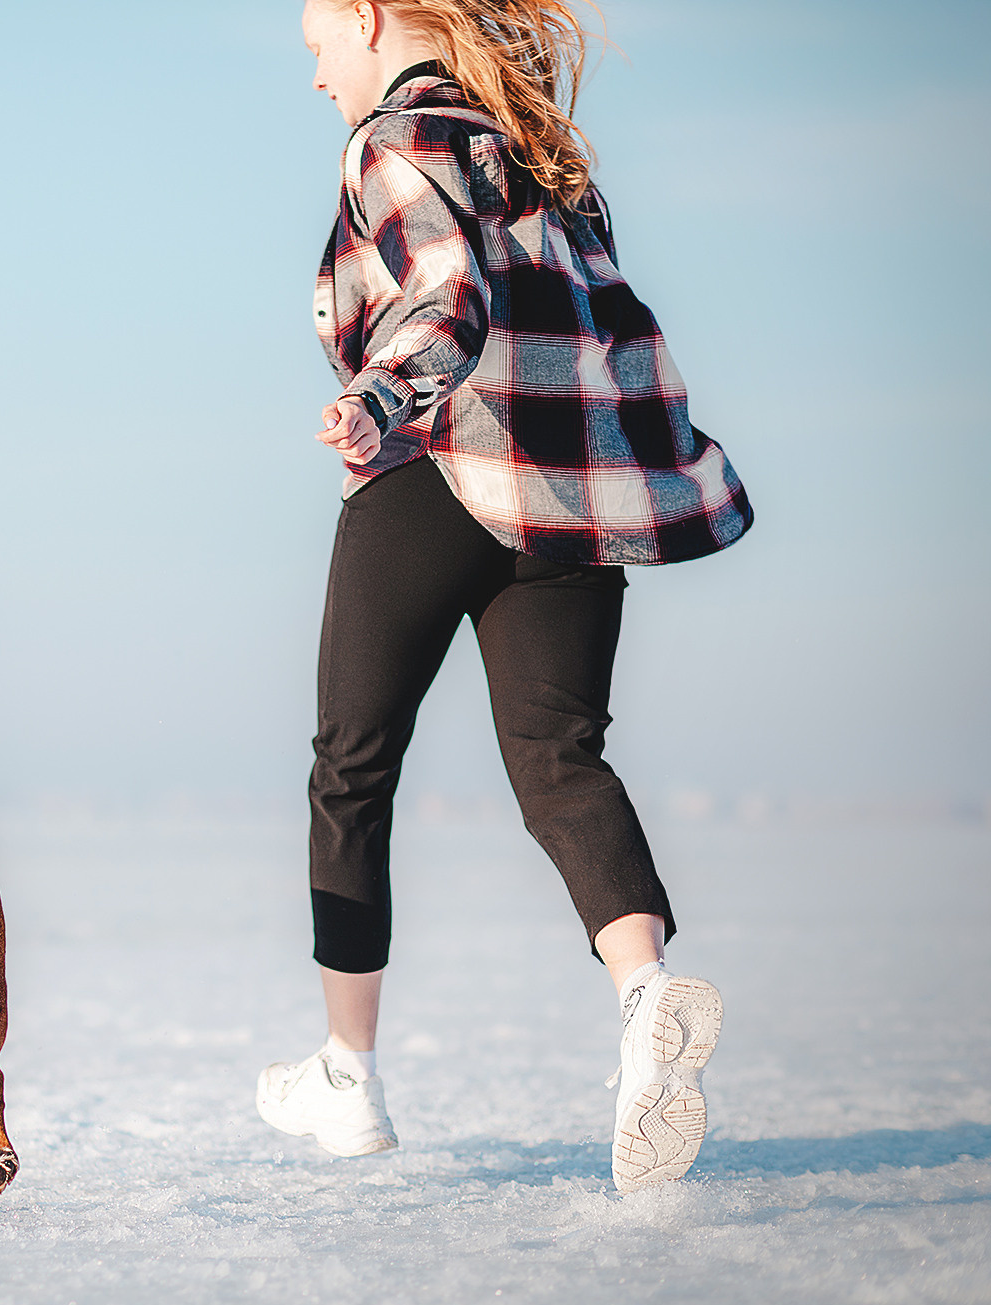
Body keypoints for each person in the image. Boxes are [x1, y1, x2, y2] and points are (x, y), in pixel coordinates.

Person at [254, 0, 753, 1192]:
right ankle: (645, 1004)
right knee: (561, 759)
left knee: (351, 763)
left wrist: (378, 399)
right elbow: (613, 334)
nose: (315, 73)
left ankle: (346, 1074)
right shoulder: (545, 158)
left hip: (437, 474)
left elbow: (439, 302)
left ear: (368, 18)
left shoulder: (393, 139)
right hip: (572, 506)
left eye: (316, 41)